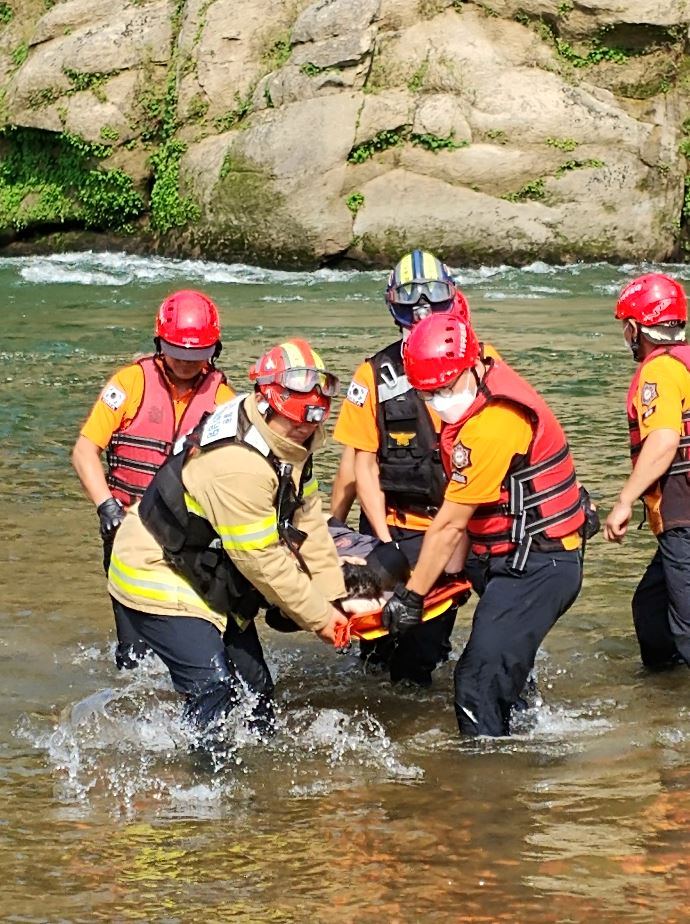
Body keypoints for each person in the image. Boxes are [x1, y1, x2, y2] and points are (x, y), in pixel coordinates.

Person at [106, 338, 349, 746]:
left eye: (313, 420)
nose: (306, 429)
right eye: (297, 421)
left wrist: (334, 596)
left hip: (202, 567)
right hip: (155, 570)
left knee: (258, 695)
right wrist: (321, 620)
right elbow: (263, 561)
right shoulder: (240, 464)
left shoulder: (289, 438)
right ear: (268, 401)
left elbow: (307, 517)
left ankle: (253, 790)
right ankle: (203, 797)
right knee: (213, 689)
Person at [382, 312, 586, 736]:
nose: (438, 398)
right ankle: (526, 737)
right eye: (429, 392)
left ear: (471, 366)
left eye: (445, 387)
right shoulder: (482, 366)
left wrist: (412, 597)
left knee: (475, 682)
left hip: (538, 564)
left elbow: (452, 525)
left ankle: (486, 782)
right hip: (503, 552)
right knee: (500, 667)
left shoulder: (492, 425)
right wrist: (446, 575)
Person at [331, 248, 479, 685]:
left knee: (420, 655)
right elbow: (362, 465)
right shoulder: (373, 376)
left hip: (453, 527)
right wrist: (375, 540)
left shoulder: (479, 363)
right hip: (394, 526)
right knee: (374, 650)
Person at [72, 289, 234, 665]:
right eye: (178, 352)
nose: (187, 363)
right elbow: (84, 452)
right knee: (135, 655)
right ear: (159, 343)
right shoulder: (129, 385)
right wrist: (106, 507)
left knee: (199, 646)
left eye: (198, 355)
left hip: (189, 540)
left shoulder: (224, 400)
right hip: (127, 530)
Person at [603, 273, 690, 669]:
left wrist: (624, 501)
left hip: (683, 514)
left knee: (687, 627)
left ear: (636, 328)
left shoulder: (659, 372)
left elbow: (664, 440)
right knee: (652, 610)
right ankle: (665, 707)